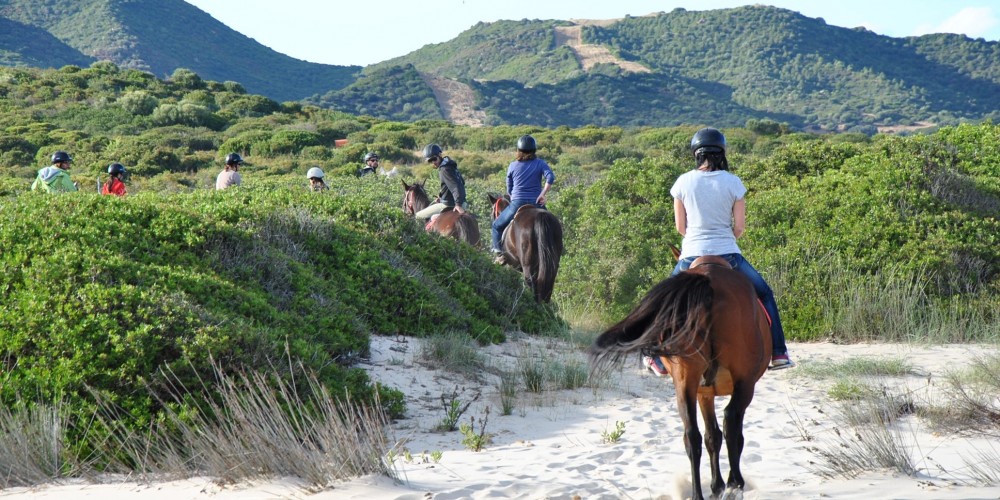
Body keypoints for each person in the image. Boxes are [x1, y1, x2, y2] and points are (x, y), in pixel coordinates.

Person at [646, 127, 792, 374]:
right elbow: (740, 228)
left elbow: (681, 228)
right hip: (729, 255)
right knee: (765, 294)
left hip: (691, 255)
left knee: (661, 301)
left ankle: (655, 359)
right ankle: (778, 353)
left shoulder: (682, 182)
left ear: (696, 153)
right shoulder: (733, 182)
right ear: (721, 152)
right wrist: (725, 239)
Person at [491, 135, 554, 262]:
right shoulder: (541, 163)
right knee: (551, 226)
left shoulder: (513, 165)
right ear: (534, 150)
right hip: (536, 203)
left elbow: (509, 188)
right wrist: (542, 194)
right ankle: (554, 251)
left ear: (518, 150)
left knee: (496, 226)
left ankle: (499, 254)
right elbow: (550, 177)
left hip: (517, 203)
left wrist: (514, 196)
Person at [415, 144, 468, 221]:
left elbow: (455, 187)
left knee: (418, 216)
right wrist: (442, 196)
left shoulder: (444, 170)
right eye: (430, 160)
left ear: (440, 155)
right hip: (463, 203)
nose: (433, 162)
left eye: (434, 159)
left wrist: (458, 204)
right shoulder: (451, 166)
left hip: (450, 205)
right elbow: (461, 183)